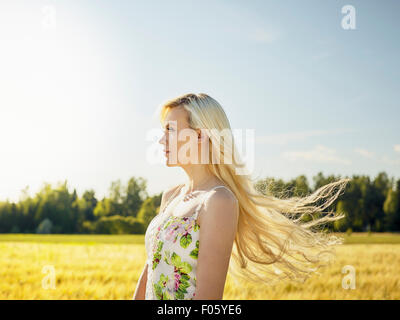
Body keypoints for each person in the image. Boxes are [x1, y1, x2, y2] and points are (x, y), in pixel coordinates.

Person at [133, 93, 350, 300]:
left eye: (170, 130)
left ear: (200, 135)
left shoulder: (218, 201)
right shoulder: (170, 196)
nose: (161, 140)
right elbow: (150, 269)